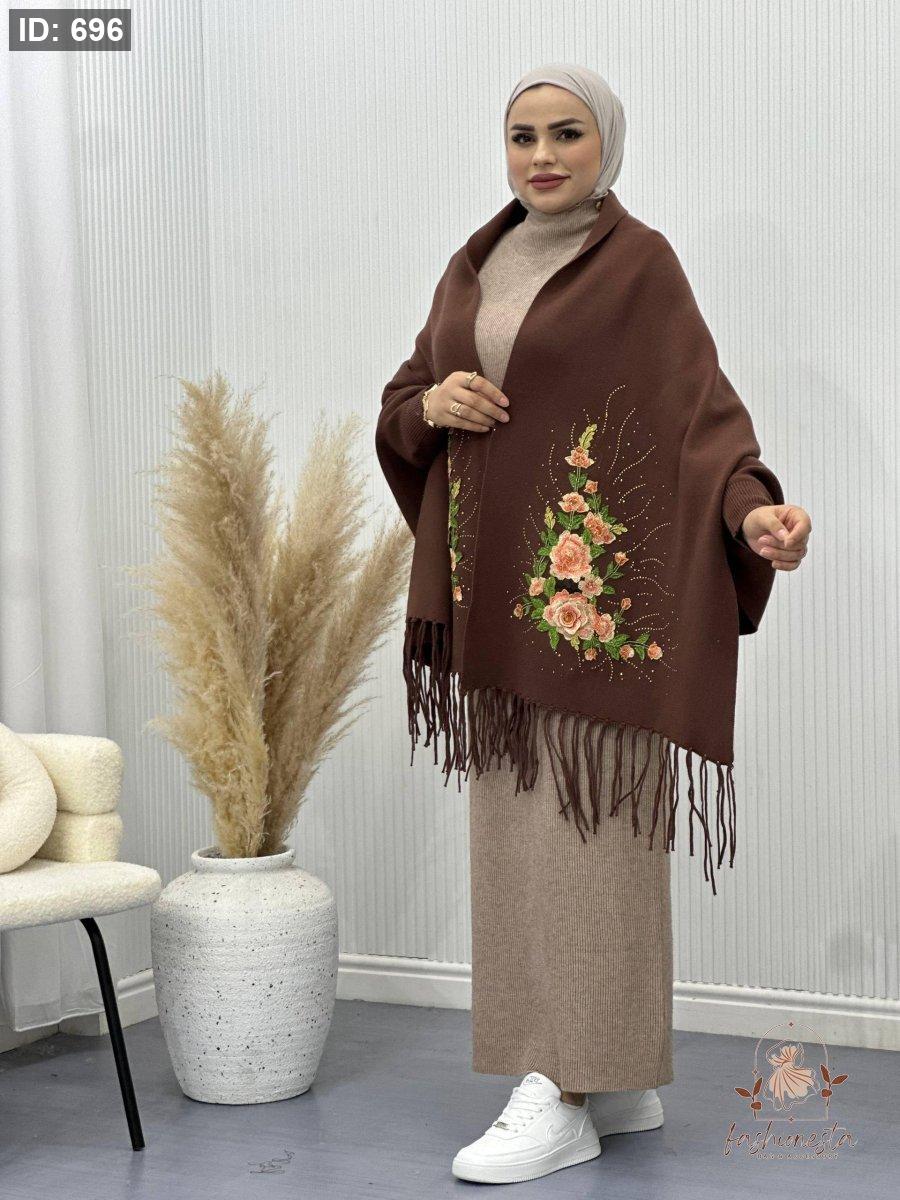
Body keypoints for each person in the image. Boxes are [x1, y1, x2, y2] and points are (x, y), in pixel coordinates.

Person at [376, 63, 811, 1186]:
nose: (542, 155)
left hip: (597, 614)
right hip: (495, 614)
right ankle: (612, 1077)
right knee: (520, 850)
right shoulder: (475, 266)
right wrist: (434, 404)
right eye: (522, 135)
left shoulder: (640, 266)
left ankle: (561, 1088)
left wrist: (753, 514)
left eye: (566, 133)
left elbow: (704, 424)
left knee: (592, 850)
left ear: (606, 144)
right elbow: (405, 402)